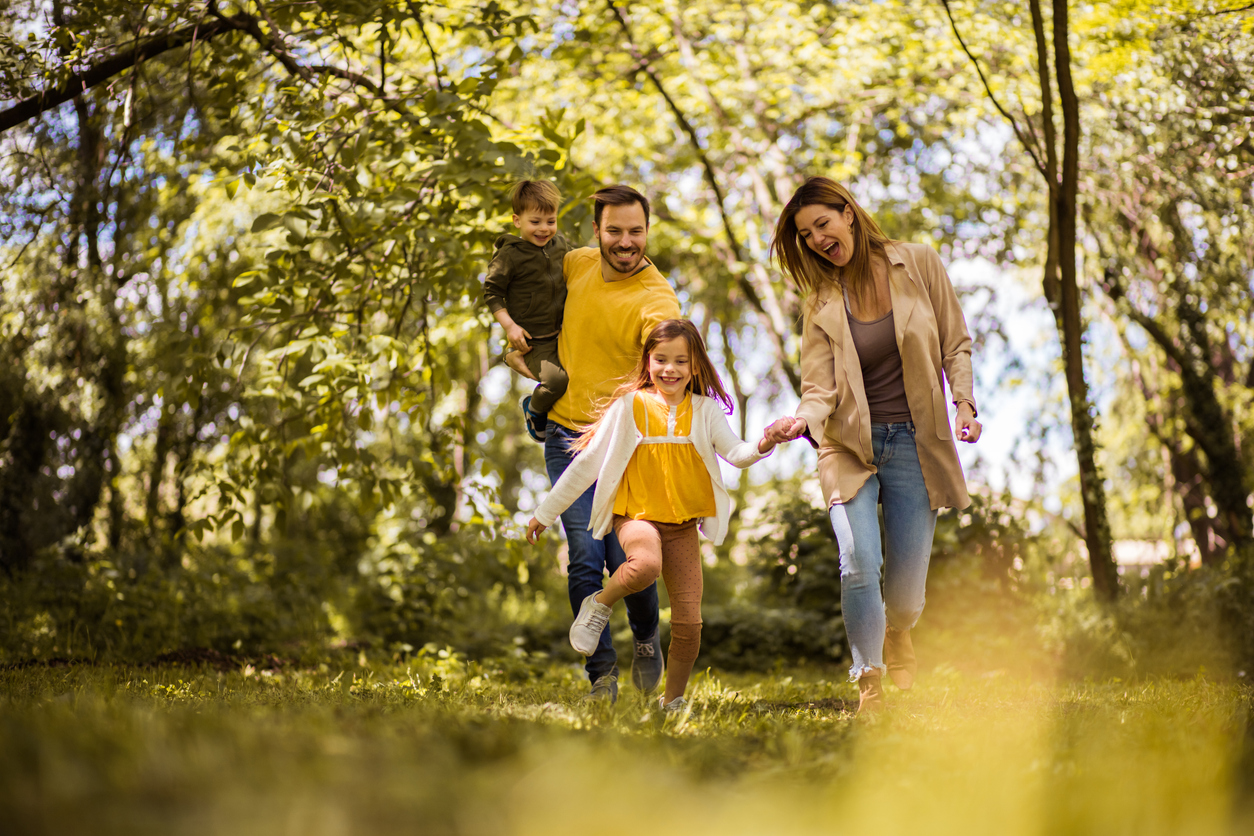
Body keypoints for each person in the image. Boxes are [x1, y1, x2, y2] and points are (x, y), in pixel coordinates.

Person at [766, 176, 982, 715]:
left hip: (914, 441)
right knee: (858, 561)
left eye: (823, 224)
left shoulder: (919, 263)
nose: (817, 239)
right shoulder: (819, 301)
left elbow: (955, 342)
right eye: (805, 234)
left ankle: (899, 630)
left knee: (906, 595)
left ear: (849, 215)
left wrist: (964, 404)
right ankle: (870, 683)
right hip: (847, 445)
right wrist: (799, 421)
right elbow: (820, 388)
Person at [527, 320, 782, 712]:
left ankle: (672, 700)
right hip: (635, 517)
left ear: (694, 365)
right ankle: (598, 604)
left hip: (682, 526)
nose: (670, 369)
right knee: (644, 565)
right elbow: (587, 464)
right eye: (661, 359)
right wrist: (545, 513)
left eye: (680, 361)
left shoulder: (704, 410)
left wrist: (767, 440)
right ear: (648, 362)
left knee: (689, 625)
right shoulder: (630, 406)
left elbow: (737, 453)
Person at [514, 185, 681, 702]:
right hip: (564, 436)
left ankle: (647, 637)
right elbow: (531, 298)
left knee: (624, 556)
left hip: (623, 448)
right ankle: (601, 675)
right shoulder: (577, 264)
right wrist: (519, 351)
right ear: (596, 232)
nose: (625, 242)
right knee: (585, 554)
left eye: (635, 232)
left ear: (647, 232)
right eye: (615, 231)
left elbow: (669, 365)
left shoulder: (656, 299)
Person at [483, 179, 572, 442]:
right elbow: (492, 292)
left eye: (550, 221)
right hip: (534, 341)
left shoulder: (559, 246)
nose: (544, 229)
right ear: (517, 220)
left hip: (563, 330)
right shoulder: (510, 255)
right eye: (536, 222)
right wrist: (510, 326)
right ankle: (533, 409)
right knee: (557, 382)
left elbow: (579, 262)